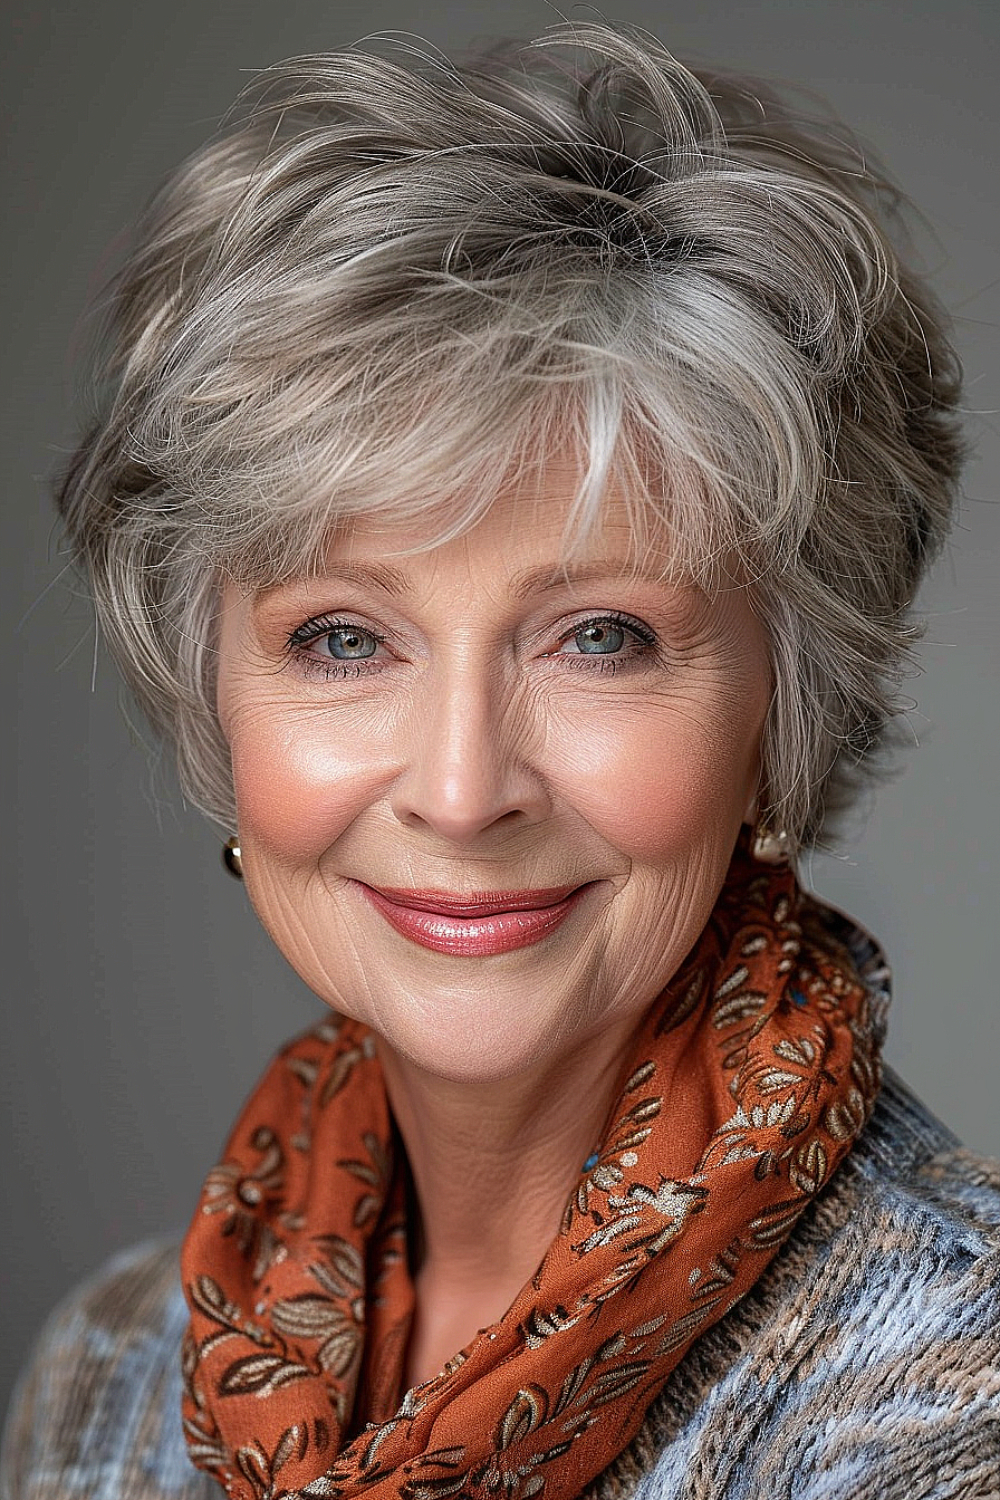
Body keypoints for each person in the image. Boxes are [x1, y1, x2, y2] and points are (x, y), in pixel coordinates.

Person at [2, 22, 997, 1500]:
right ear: (210, 694)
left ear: (782, 710)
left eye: (599, 636)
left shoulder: (953, 1392)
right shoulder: (106, 1375)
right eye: (344, 639)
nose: (464, 793)